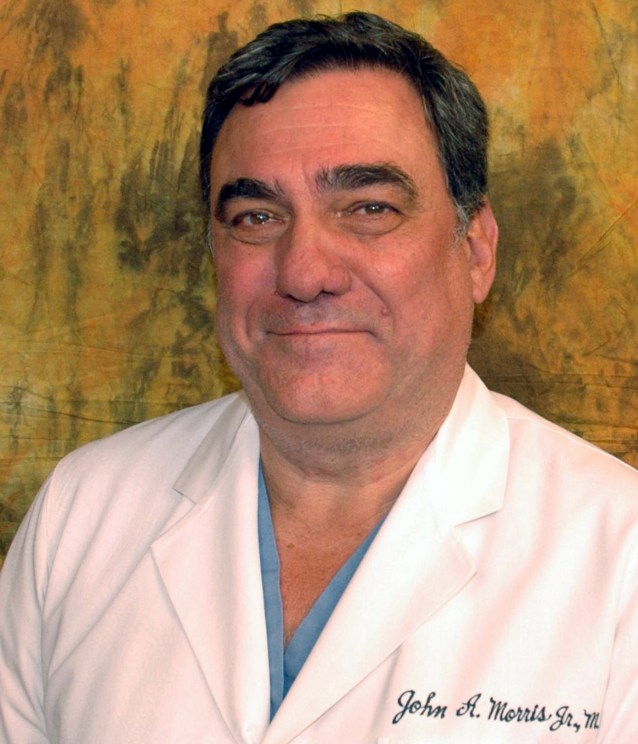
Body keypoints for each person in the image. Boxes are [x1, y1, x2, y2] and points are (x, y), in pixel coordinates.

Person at [1, 11, 636, 743]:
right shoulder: (82, 515)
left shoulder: (619, 558)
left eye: (368, 208)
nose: (304, 273)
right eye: (257, 217)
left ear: (475, 250)